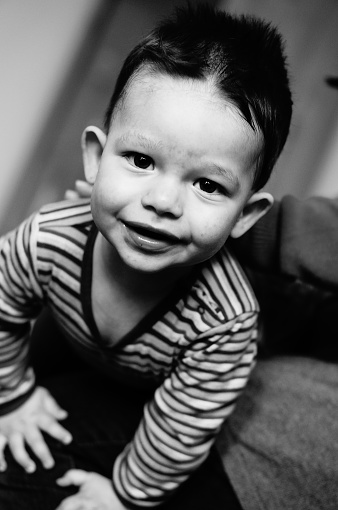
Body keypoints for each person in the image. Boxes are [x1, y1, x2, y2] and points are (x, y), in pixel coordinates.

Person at [0, 5, 292, 509]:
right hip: (68, 328)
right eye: (140, 160)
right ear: (96, 158)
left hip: (156, 388)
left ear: (245, 215)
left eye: (207, 184)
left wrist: (125, 494)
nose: (161, 202)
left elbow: (182, 426)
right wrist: (14, 397)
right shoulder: (47, 241)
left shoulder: (224, 323)